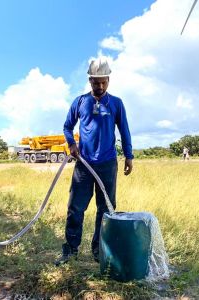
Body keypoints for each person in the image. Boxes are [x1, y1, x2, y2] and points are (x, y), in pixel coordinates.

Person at [55, 57, 134, 266]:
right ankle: (70, 249)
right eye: (95, 82)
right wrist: (71, 143)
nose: (99, 86)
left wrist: (129, 156)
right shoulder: (80, 102)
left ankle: (99, 251)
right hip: (84, 164)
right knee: (75, 208)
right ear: (90, 80)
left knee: (106, 209)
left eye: (103, 82)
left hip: (107, 164)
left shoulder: (116, 103)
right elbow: (67, 126)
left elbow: (124, 130)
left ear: (108, 80)